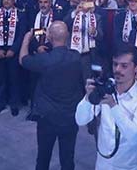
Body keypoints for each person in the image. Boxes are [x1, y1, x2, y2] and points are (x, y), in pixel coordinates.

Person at [75, 43, 137, 170]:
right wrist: (88, 98)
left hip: (129, 166)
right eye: (115, 64)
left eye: (124, 66)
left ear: (136, 68)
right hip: (103, 164)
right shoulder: (106, 87)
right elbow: (81, 120)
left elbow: (136, 137)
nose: (118, 70)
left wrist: (113, 105)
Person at [19, 21, 84, 170]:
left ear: (49, 37)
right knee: (68, 158)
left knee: (43, 157)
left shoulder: (45, 60)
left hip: (47, 117)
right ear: (67, 35)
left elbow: (23, 60)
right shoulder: (76, 57)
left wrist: (26, 40)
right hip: (70, 115)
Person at [0, 0, 27, 116]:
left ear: (14, 0)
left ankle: (14, 104)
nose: (7, 1)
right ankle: (0, 103)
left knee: (14, 79)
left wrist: (13, 49)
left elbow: (22, 34)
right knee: (0, 78)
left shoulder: (20, 14)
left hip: (13, 51)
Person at [65, 0, 102, 80]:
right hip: (72, 54)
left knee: (87, 81)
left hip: (88, 56)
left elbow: (101, 36)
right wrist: (76, 12)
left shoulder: (97, 17)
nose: (85, 3)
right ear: (79, 1)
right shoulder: (71, 13)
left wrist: (95, 32)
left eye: (88, 1)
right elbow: (64, 26)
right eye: (83, 1)